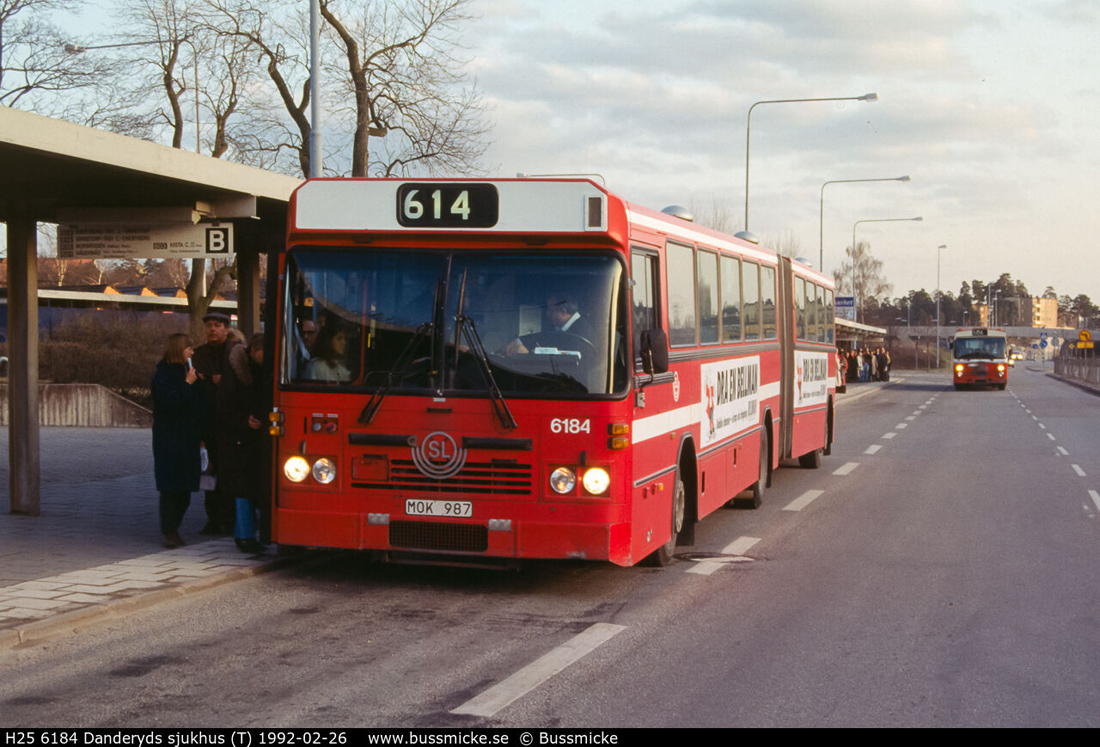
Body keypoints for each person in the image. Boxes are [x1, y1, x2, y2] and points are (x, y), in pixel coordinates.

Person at [192, 311, 242, 535]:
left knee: (230, 473)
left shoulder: (234, 352)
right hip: (208, 422)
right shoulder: (199, 354)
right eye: (209, 325)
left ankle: (231, 518)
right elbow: (195, 384)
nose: (212, 329)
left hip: (231, 423)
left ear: (226, 328)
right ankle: (213, 518)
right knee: (209, 473)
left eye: (217, 325)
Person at [151, 333, 203, 549]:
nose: (192, 352)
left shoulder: (187, 371)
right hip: (170, 437)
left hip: (187, 436)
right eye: (189, 348)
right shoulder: (163, 374)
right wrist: (187, 384)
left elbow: (197, 403)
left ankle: (174, 526)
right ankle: (170, 530)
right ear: (179, 350)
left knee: (186, 487)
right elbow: (169, 403)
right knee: (171, 487)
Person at [219, 333, 268, 553]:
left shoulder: (255, 367)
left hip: (252, 437)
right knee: (244, 488)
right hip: (240, 438)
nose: (265, 359)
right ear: (254, 349)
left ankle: (248, 534)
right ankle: (244, 535)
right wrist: (244, 421)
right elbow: (224, 407)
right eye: (263, 354)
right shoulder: (237, 372)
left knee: (248, 487)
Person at [505, 293, 596, 355]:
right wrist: (520, 341)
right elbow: (546, 337)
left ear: (563, 312)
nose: (547, 314)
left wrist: (528, 355)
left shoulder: (582, 333)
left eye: (550, 310)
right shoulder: (563, 328)